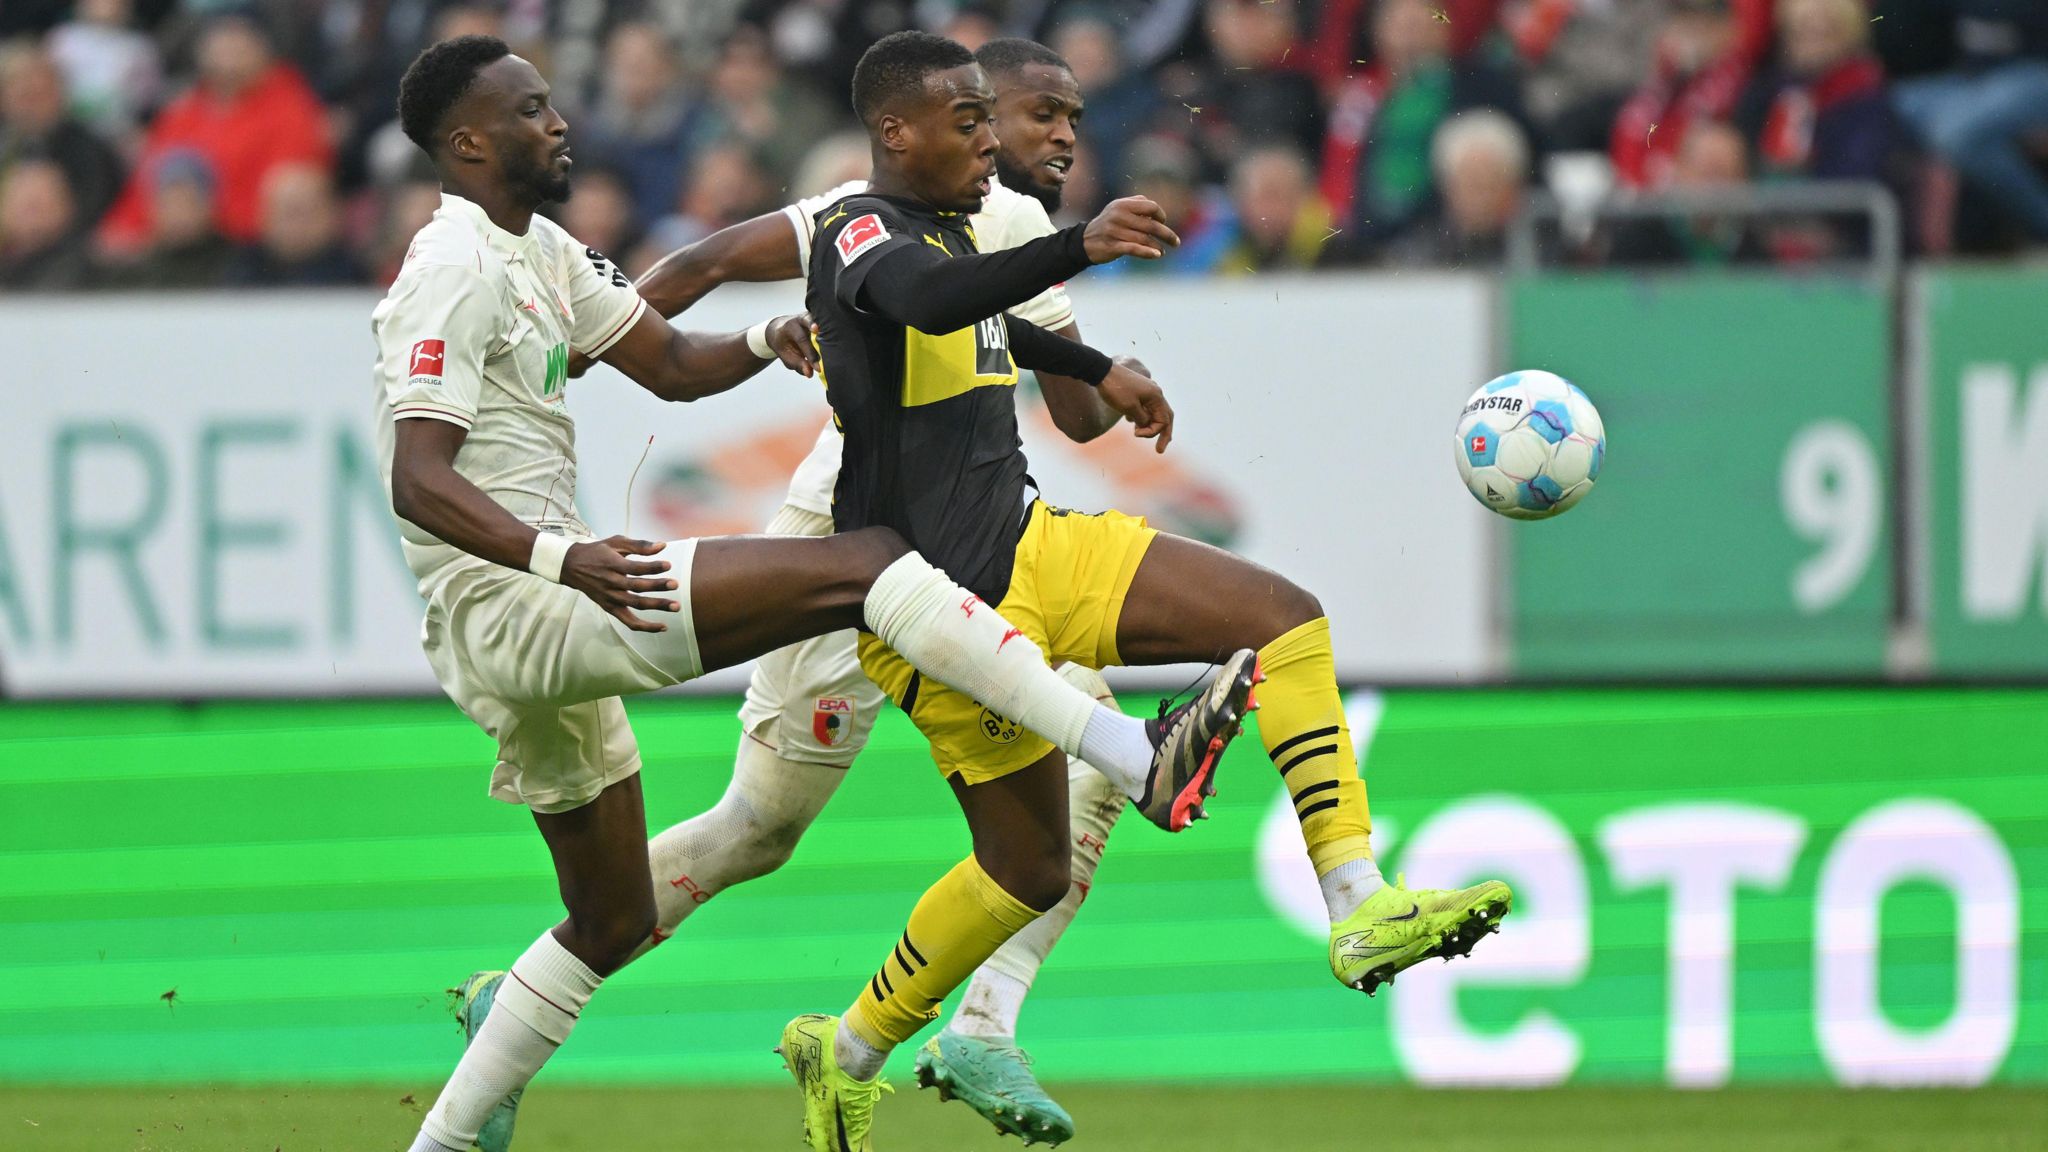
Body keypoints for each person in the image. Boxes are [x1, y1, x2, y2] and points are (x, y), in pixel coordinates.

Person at [379, 36, 1254, 1152]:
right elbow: (421, 474)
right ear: (925, 124)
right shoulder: (463, 263)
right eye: (1024, 115)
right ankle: (1133, 759)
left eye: (1047, 120)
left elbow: (676, 362)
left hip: (903, 557)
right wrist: (564, 553)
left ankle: (456, 1122)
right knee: (838, 644)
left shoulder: (544, 250)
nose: (1044, 138)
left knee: (614, 918)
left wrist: (766, 335)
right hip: (607, 581)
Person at [766, 33, 1510, 1152]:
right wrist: (1077, 247)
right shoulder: (860, 230)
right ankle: (852, 1048)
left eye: (987, 118)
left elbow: (975, 317)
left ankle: (1358, 903)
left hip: (1031, 544)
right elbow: (925, 302)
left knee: (1282, 618)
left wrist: (1086, 366)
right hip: (937, 605)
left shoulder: (957, 236)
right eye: (963, 123)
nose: (985, 140)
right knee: (1025, 870)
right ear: (893, 133)